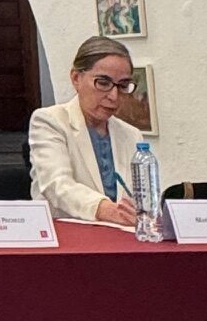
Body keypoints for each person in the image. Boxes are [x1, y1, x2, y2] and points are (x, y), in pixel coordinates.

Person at [28, 36, 141, 225]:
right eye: (103, 83)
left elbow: (140, 197)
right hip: (66, 234)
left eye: (122, 86)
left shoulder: (131, 134)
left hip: (121, 235)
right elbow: (57, 185)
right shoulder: (50, 121)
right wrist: (106, 209)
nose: (114, 96)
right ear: (76, 78)